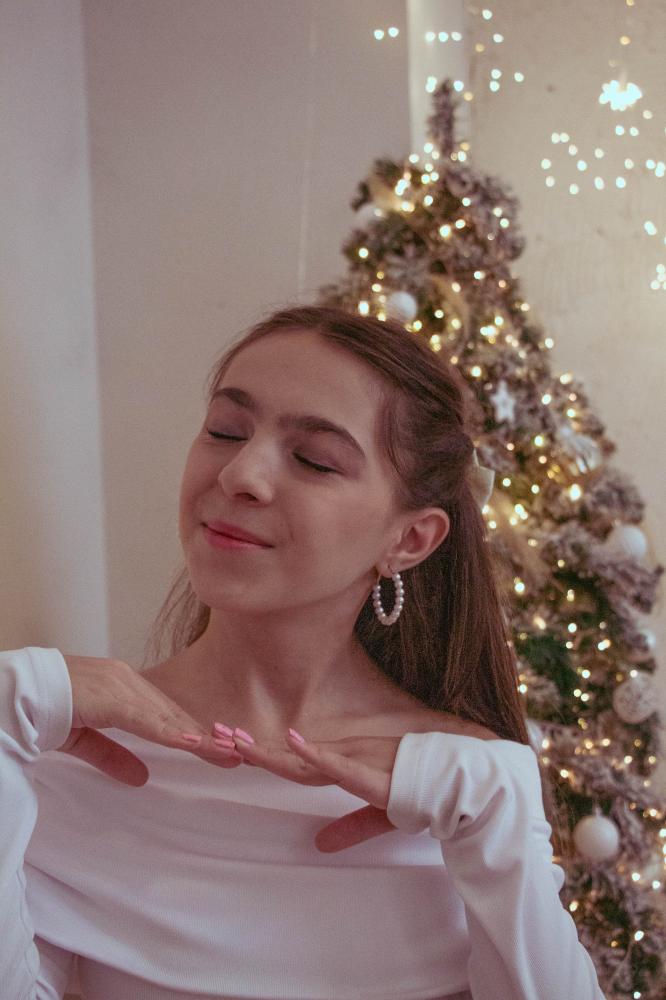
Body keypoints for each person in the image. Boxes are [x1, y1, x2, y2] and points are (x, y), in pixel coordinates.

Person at [1, 305, 606, 1000]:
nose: (240, 474)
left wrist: (496, 817)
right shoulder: (71, 761)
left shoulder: (460, 793)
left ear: (409, 539)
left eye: (315, 460)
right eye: (225, 430)